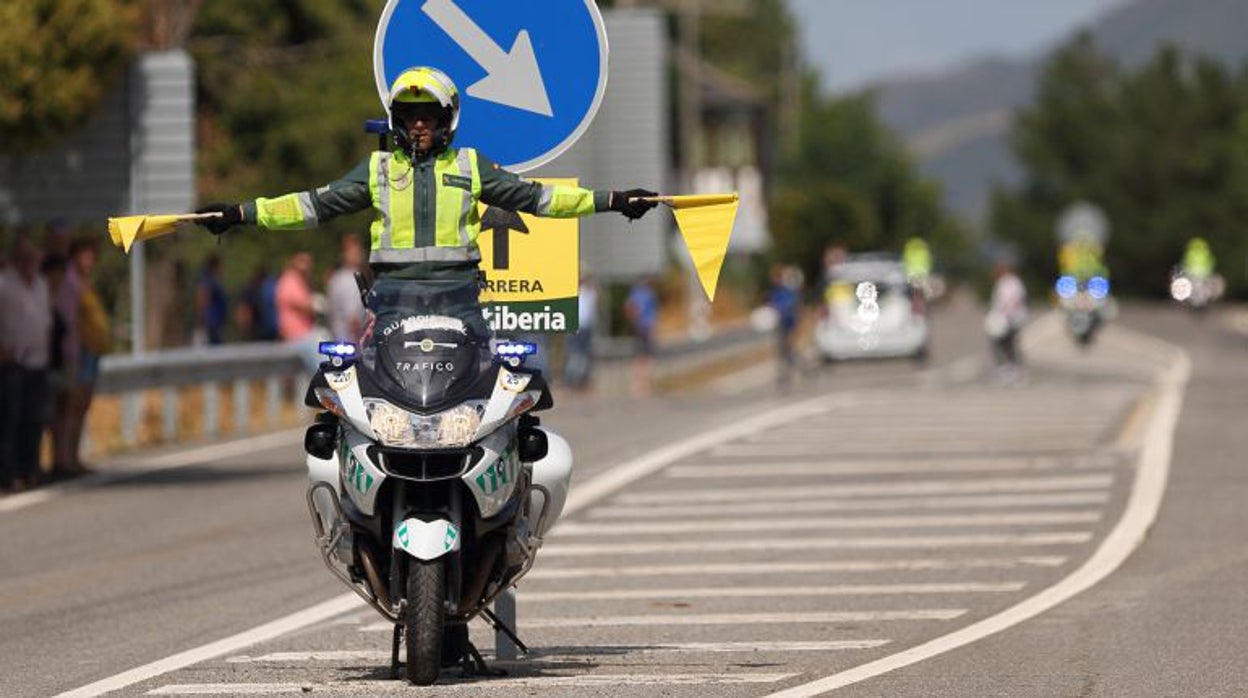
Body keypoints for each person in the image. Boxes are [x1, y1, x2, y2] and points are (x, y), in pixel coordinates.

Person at [194, 66, 655, 349]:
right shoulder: (376, 169)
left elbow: (541, 199)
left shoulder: (471, 165)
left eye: (428, 115)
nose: (418, 124)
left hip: (462, 307)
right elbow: (312, 205)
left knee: (503, 388)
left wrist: (611, 201)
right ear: (396, 119)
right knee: (351, 393)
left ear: (446, 119)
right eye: (410, 115)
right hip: (392, 307)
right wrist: (242, 213)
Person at [0, 237, 52, 491]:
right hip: (13, 361)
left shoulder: (41, 284)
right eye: (25, 258)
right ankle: (9, 474)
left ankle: (29, 469)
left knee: (34, 418)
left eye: (34, 258)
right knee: (12, 419)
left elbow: (45, 319)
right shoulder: (4, 283)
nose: (30, 263)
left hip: (38, 360)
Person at [57, 238, 106, 477]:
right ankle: (64, 459)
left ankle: (73, 457)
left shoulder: (86, 283)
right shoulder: (70, 282)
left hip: (91, 351)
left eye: (91, 257)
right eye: (85, 256)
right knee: (71, 407)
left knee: (81, 407)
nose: (89, 262)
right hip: (77, 350)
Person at [986, 259, 1028, 386]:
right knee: (1004, 344)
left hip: (1010, 319)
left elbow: (1012, 301)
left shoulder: (1010, 283)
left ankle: (1014, 371)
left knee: (1008, 344)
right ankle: (1009, 369)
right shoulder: (1007, 282)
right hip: (1007, 318)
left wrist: (1007, 316)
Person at [326, 234, 367, 342]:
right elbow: (353, 320)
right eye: (354, 252)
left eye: (359, 251)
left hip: (337, 336)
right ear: (344, 254)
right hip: (350, 339)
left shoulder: (336, 277)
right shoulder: (350, 280)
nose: (359, 255)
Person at [767, 264, 802, 388]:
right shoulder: (774, 291)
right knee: (784, 350)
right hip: (781, 323)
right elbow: (773, 305)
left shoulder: (787, 290)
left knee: (787, 349)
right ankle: (785, 374)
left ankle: (790, 372)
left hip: (789, 322)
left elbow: (792, 304)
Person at [562, 271, 598, 393]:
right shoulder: (573, 292)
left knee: (584, 354)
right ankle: (571, 380)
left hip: (586, 328)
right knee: (574, 354)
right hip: (575, 327)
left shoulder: (589, 292)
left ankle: (581, 380)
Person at [624, 277, 659, 397]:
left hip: (641, 326)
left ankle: (641, 384)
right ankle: (642, 384)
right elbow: (631, 308)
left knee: (641, 355)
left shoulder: (638, 293)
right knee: (644, 356)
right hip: (644, 327)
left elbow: (629, 307)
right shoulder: (646, 294)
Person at [194, 255, 229, 345]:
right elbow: (203, 300)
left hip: (217, 324)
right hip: (211, 325)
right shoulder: (207, 281)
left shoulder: (214, 281)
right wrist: (200, 322)